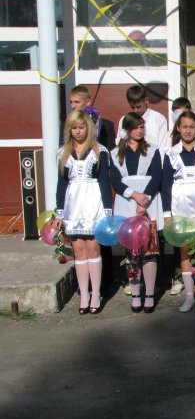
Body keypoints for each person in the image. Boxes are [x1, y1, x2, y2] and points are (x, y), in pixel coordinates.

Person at [54, 110, 112, 314]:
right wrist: (59, 212)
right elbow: (61, 184)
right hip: (73, 203)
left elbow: (104, 182)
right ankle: (84, 294)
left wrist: (107, 211)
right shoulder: (63, 152)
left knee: (93, 248)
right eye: (74, 128)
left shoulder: (99, 151)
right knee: (78, 250)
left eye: (81, 127)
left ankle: (95, 293)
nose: (78, 131)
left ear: (89, 127)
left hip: (93, 201)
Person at [162, 110, 195, 312]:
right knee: (184, 251)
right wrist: (167, 214)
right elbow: (166, 185)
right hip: (180, 207)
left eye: (191, 127)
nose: (187, 130)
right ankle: (189, 296)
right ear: (178, 128)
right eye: (184, 126)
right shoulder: (170, 153)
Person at [110, 112, 163, 313]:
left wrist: (144, 199)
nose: (139, 131)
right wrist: (134, 195)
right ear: (127, 130)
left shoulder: (152, 150)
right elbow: (115, 180)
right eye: (135, 127)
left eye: (142, 127)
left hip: (148, 203)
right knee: (131, 253)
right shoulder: (116, 153)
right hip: (127, 203)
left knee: (149, 251)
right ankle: (135, 294)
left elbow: (156, 176)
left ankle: (149, 294)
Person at [117, 85, 170, 157]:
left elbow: (162, 147)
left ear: (146, 100)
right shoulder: (124, 120)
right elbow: (120, 143)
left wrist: (158, 162)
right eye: (132, 107)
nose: (135, 110)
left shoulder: (159, 119)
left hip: (153, 160)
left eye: (138, 106)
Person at [69, 85, 116, 151]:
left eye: (77, 102)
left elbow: (111, 151)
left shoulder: (105, 125)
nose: (73, 106)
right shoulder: (67, 123)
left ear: (88, 102)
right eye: (71, 102)